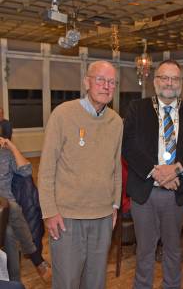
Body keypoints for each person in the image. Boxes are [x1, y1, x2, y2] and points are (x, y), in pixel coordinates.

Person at [122, 59, 183, 289]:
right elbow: (128, 145)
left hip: (178, 191)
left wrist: (177, 169)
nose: (169, 83)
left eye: (174, 78)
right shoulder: (137, 108)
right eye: (164, 77)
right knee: (145, 250)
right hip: (145, 191)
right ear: (155, 81)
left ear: (181, 82)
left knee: (173, 248)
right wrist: (156, 173)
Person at [38, 60, 123, 289]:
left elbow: (115, 168)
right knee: (66, 282)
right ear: (87, 82)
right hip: (66, 218)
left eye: (112, 82)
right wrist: (49, 212)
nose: (106, 86)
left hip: (103, 217)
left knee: (95, 283)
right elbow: (46, 169)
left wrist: (115, 205)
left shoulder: (116, 122)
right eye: (100, 80)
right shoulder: (63, 114)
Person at [0, 137, 51, 283]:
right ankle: (37, 259)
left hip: (6, 213)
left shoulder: (5, 154)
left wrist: (12, 146)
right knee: (14, 207)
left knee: (9, 231)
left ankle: (14, 282)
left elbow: (27, 171)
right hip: (7, 208)